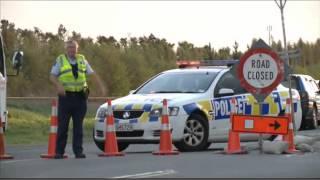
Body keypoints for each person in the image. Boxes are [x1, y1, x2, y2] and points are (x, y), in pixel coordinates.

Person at [50, 40, 106, 159]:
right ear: (66, 49)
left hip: (80, 98)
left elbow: (92, 74)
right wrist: (58, 86)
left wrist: (100, 86)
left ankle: (78, 151)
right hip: (66, 97)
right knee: (63, 126)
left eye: (74, 48)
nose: (72, 50)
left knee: (78, 127)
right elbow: (52, 76)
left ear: (77, 49)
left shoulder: (82, 59)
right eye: (70, 47)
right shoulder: (60, 60)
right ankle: (59, 152)